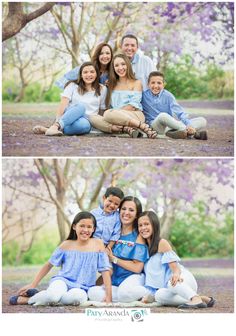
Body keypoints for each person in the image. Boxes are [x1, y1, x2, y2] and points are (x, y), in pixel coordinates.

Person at [9, 211, 112, 306]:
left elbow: (105, 271)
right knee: (52, 297)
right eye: (82, 226)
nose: (85, 230)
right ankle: (27, 300)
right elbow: (49, 264)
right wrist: (33, 284)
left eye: (89, 227)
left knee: (78, 298)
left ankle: (42, 296)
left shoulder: (98, 244)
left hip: (82, 288)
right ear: (74, 227)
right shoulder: (66, 245)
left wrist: (109, 295)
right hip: (62, 281)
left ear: (93, 229)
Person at [137, 211, 216, 309]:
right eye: (140, 225)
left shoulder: (161, 243)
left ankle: (195, 299)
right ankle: (201, 299)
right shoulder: (143, 249)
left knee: (171, 282)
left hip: (182, 280)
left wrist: (176, 275)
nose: (143, 228)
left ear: (154, 225)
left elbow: (176, 269)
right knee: (159, 296)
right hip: (173, 289)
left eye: (146, 224)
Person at [88, 196, 149, 303]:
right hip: (115, 280)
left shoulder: (138, 236)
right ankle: (126, 297)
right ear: (119, 211)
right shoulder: (112, 234)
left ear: (136, 215)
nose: (126, 213)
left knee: (124, 293)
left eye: (131, 210)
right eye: (124, 209)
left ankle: (148, 292)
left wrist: (114, 259)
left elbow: (137, 268)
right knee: (92, 292)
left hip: (133, 278)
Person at [91, 54, 157, 138]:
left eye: (123, 64)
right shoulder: (111, 84)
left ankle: (138, 126)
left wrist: (115, 114)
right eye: (116, 65)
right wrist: (115, 116)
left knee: (107, 114)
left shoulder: (136, 82)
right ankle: (127, 128)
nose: (120, 68)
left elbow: (133, 106)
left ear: (128, 65)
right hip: (115, 117)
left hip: (135, 114)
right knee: (93, 118)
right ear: (113, 68)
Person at [33, 62, 107, 136]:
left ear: (96, 74)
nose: (88, 75)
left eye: (92, 72)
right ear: (81, 75)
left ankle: (50, 129)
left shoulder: (102, 89)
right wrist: (57, 120)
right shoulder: (72, 85)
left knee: (84, 126)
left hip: (86, 121)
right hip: (69, 117)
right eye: (85, 72)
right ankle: (55, 126)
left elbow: (101, 110)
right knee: (81, 107)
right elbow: (63, 105)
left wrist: (99, 125)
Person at [141, 71, 208, 140]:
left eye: (159, 83)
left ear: (163, 85)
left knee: (202, 120)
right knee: (162, 116)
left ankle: (176, 132)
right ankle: (192, 133)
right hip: (155, 126)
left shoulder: (168, 96)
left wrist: (189, 124)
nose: (156, 86)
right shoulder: (143, 96)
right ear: (148, 84)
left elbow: (179, 112)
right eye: (153, 83)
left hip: (170, 126)